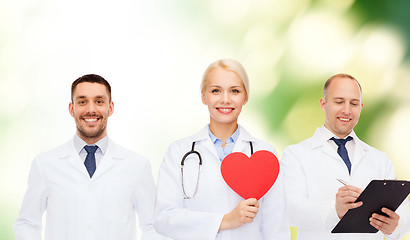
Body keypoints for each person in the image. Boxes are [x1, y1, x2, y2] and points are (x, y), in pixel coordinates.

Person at [13, 74, 163, 240]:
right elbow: (27, 224)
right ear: (72, 109)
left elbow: (153, 227)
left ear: (110, 108)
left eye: (99, 101)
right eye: (82, 101)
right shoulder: (45, 164)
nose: (91, 109)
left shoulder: (137, 166)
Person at [153, 59, 290, 240]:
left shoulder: (265, 154)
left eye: (234, 91)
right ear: (204, 96)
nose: (225, 99)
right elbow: (164, 218)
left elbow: (276, 228)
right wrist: (224, 221)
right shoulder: (179, 152)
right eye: (216, 90)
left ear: (245, 97)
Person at [282, 73, 410, 240]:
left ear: (361, 106)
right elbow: (290, 209)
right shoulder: (296, 154)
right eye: (339, 102)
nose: (346, 110)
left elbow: (406, 210)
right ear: (324, 104)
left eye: (354, 103)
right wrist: (335, 211)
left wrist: (396, 225)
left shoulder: (379, 158)